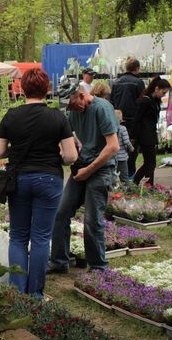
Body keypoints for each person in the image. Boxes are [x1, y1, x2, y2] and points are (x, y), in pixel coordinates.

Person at [0, 69, 77, 298]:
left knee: (18, 236)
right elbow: (71, 156)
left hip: (18, 179)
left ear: (22, 89)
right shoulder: (57, 117)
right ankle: (36, 294)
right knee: (41, 238)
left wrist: (16, 149)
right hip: (49, 178)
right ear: (46, 89)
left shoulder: (11, 115)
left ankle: (17, 292)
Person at [48, 82, 119, 274]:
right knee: (60, 214)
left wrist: (89, 169)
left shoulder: (102, 108)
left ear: (81, 94)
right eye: (67, 107)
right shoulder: (74, 113)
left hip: (101, 170)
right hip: (82, 167)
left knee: (91, 220)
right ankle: (59, 261)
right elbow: (68, 139)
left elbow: (113, 147)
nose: (70, 109)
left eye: (71, 104)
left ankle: (98, 267)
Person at [110, 58, 145, 177]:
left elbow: (112, 101)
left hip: (118, 121)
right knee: (132, 148)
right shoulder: (138, 82)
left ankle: (118, 174)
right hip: (134, 121)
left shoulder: (115, 82)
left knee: (118, 148)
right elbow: (142, 102)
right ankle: (130, 174)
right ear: (137, 68)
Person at [133, 76, 171, 186]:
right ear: (157, 88)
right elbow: (137, 119)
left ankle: (148, 184)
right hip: (145, 136)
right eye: (163, 92)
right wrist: (134, 137)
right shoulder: (145, 100)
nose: (164, 95)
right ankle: (138, 183)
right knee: (150, 163)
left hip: (150, 134)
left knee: (150, 163)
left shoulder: (154, 101)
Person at [115, 110, 134, 183]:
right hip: (122, 158)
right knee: (124, 178)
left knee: (112, 178)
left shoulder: (110, 128)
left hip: (112, 158)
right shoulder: (123, 128)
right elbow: (126, 142)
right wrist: (131, 149)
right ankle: (127, 192)